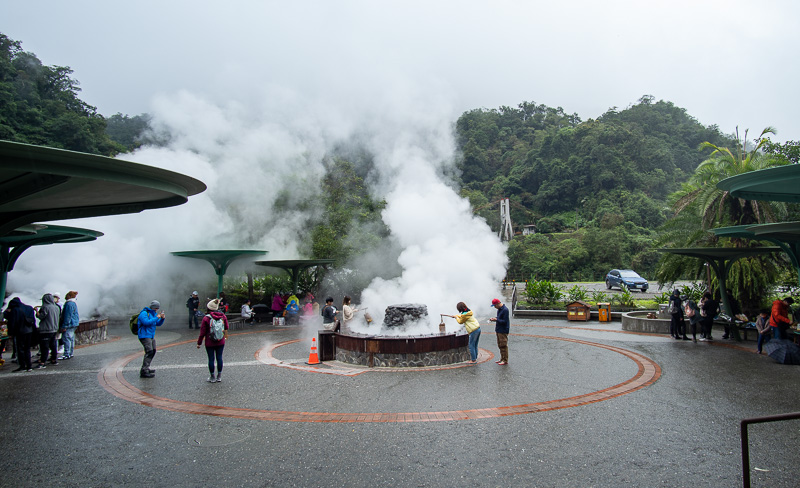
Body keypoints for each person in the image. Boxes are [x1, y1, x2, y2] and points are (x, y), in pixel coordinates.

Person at [197, 298, 228, 383]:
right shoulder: (223, 316)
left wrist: (199, 343)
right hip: (220, 341)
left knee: (211, 359)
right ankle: (219, 376)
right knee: (219, 357)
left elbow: (202, 332)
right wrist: (225, 336)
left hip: (209, 342)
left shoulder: (206, 318)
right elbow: (226, 327)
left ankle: (212, 377)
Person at [5, 297, 35, 372]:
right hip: (29, 331)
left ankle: (22, 365)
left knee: (20, 349)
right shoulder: (29, 308)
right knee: (27, 349)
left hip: (20, 331)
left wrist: (10, 333)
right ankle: (29, 365)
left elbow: (12, 322)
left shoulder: (15, 310)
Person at [137, 300, 165, 378]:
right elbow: (146, 322)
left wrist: (162, 319)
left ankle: (146, 367)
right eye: (156, 308)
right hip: (144, 335)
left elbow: (157, 323)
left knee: (153, 350)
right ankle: (144, 371)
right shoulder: (144, 313)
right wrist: (156, 317)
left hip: (150, 335)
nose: (156, 309)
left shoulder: (153, 314)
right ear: (152, 307)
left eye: (157, 308)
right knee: (149, 351)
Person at [34, 293, 60, 368]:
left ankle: (42, 362)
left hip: (46, 329)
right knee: (53, 345)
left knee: (44, 347)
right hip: (54, 329)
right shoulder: (56, 307)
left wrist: (37, 311)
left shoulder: (45, 307)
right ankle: (54, 359)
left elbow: (41, 316)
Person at [60, 291, 80, 359]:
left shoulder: (69, 304)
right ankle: (70, 353)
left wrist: (64, 325)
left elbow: (67, 316)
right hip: (74, 323)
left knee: (66, 338)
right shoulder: (73, 303)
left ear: (70, 296)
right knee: (71, 339)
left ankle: (66, 354)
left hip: (70, 324)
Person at [489, 298, 510, 365]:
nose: (495, 307)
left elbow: (504, 321)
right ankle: (502, 358)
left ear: (498, 304)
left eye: (495, 305)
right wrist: (495, 318)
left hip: (503, 330)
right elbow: (500, 318)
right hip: (499, 329)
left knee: (503, 345)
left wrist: (496, 319)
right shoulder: (499, 309)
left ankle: (505, 360)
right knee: (500, 345)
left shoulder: (505, 310)